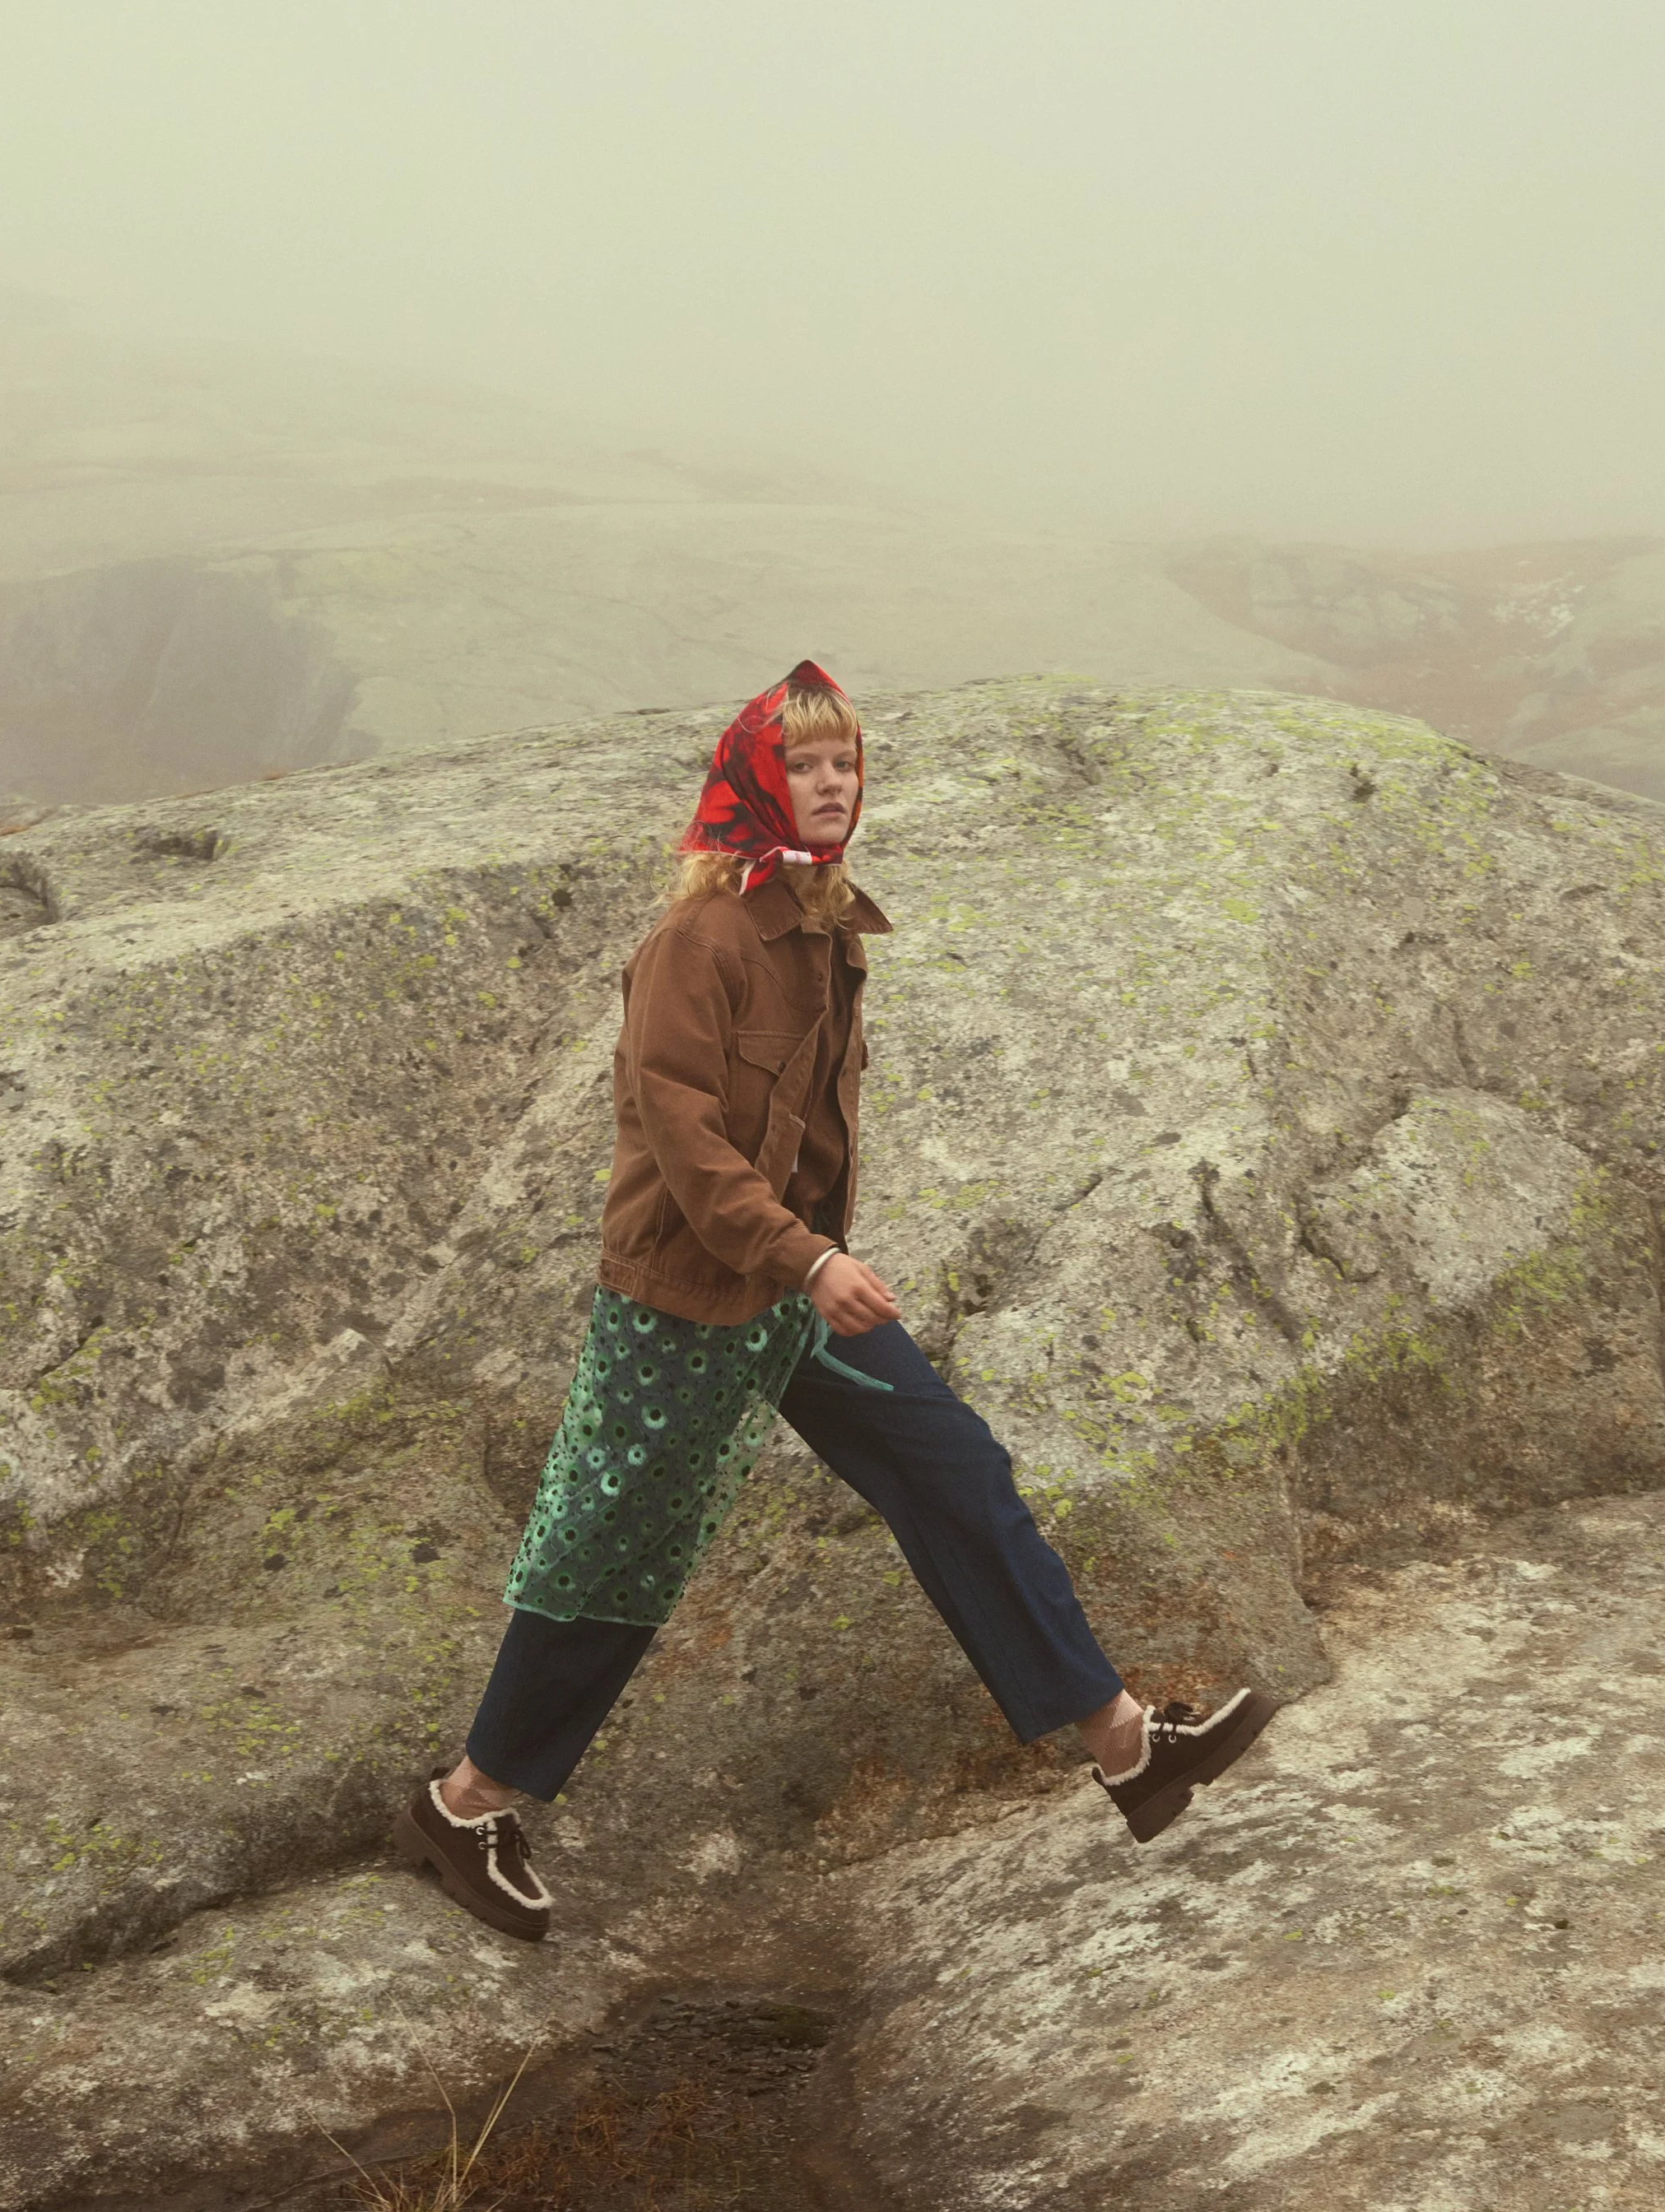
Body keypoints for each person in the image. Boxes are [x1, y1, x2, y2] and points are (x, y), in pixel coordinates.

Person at [395, 661, 1274, 1940]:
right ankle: (464, 1804)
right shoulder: (694, 945)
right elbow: (686, 1143)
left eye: (845, 764)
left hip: (794, 1296)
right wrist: (806, 1259)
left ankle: (1129, 1748)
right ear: (756, 780)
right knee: (610, 1553)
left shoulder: (824, 923)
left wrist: (807, 1266)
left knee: (955, 1471)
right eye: (805, 764)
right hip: (692, 1299)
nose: (829, 784)